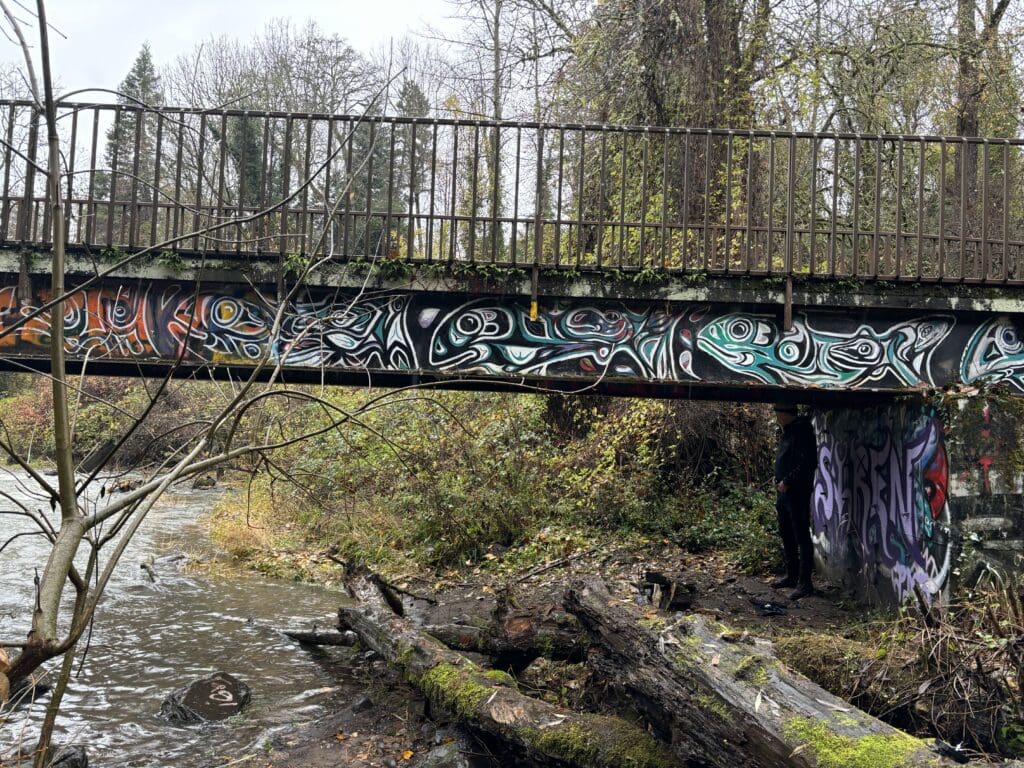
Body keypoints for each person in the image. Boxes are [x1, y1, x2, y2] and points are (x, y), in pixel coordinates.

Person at [771, 403, 817, 600]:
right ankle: (791, 575)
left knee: (801, 535)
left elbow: (808, 463)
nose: (776, 417)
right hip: (784, 492)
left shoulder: (803, 430)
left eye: (778, 413)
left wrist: (788, 480)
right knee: (786, 533)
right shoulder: (787, 431)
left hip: (797, 492)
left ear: (785, 413)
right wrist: (778, 478)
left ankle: (805, 583)